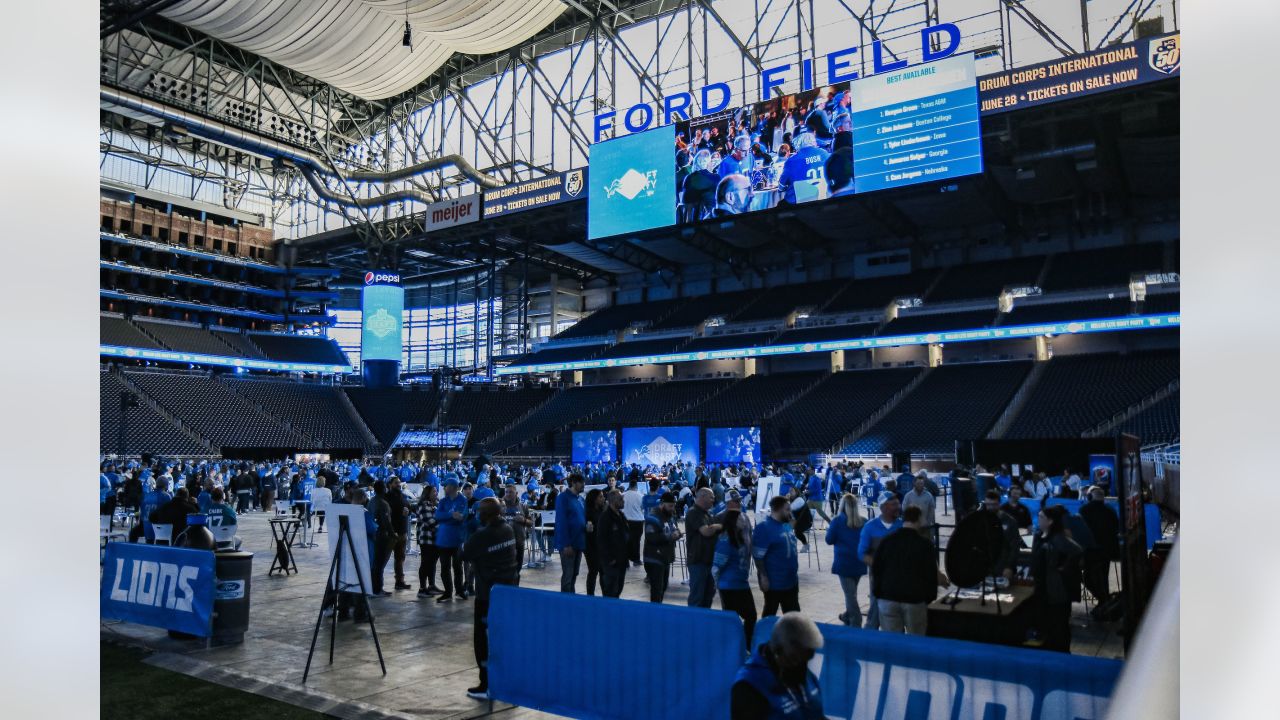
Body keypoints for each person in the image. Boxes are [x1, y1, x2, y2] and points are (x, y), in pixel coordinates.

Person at [460, 497, 520, 701]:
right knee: (504, 637)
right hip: (508, 591)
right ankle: (508, 679)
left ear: (484, 515)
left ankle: (486, 683)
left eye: (480, 512)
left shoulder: (482, 535)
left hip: (487, 595)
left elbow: (464, 554)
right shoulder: (508, 529)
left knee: (483, 639)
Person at [871, 506, 949, 635]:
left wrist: (878, 593)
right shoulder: (925, 545)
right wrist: (929, 597)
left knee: (893, 644)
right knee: (916, 642)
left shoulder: (887, 541)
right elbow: (930, 573)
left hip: (888, 598)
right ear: (918, 519)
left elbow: (877, 568)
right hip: (914, 599)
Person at [731, 612, 824, 720]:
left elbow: (814, 714)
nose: (802, 665)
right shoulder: (750, 685)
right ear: (778, 652)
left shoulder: (803, 672)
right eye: (795, 659)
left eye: (808, 658)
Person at [1030, 505, 1083, 652]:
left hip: (1055, 589)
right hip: (1041, 587)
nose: (1038, 520)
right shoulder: (1038, 536)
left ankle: (1062, 652)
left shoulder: (1058, 538)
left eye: (1041, 517)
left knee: (1059, 624)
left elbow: (1077, 551)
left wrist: (1063, 567)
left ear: (1050, 521)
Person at [857, 492, 902, 630]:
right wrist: (879, 565)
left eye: (898, 503)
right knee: (875, 612)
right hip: (879, 579)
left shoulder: (901, 526)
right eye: (894, 504)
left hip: (899, 578)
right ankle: (870, 641)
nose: (898, 507)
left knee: (897, 615)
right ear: (883, 507)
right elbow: (861, 553)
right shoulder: (870, 527)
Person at [713, 506, 756, 648]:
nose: (744, 520)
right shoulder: (725, 539)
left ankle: (743, 644)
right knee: (735, 619)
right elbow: (717, 566)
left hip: (741, 583)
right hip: (729, 585)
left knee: (748, 617)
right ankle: (736, 646)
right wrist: (715, 585)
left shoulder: (741, 537)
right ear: (733, 521)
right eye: (740, 518)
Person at [753, 495, 801, 617]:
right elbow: (758, 556)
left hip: (791, 581)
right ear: (779, 509)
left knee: (794, 617)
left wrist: (791, 517)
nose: (790, 512)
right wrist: (762, 577)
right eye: (787, 509)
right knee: (769, 615)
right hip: (774, 583)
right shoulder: (764, 527)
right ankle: (764, 635)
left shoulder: (785, 525)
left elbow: (792, 526)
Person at [825, 493, 867, 627]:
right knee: (851, 593)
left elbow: (829, 540)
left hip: (844, 564)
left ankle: (856, 622)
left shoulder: (837, 521)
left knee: (850, 596)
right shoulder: (864, 521)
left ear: (841, 505)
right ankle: (846, 616)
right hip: (860, 563)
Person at [1079, 486, 1119, 609]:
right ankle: (1104, 600)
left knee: (1087, 577)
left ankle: (1104, 600)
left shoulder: (1084, 510)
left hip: (1090, 551)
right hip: (1107, 551)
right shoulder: (1111, 510)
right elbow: (1116, 529)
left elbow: (1081, 531)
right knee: (1103, 577)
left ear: (1090, 497)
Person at [685, 487, 724, 608]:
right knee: (697, 596)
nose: (713, 499)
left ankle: (704, 621)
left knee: (708, 594)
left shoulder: (707, 513)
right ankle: (694, 624)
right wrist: (718, 526)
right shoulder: (694, 512)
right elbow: (706, 532)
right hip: (698, 562)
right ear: (702, 497)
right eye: (711, 497)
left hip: (708, 562)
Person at [642, 491, 682, 603]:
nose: (672, 509)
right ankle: (654, 615)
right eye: (670, 506)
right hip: (654, 558)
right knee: (657, 590)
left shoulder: (669, 516)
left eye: (673, 506)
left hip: (665, 558)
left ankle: (658, 611)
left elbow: (675, 529)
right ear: (662, 504)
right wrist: (671, 536)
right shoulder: (652, 517)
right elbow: (652, 537)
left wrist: (677, 533)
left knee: (663, 587)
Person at [434, 478, 469, 602]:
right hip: (443, 539)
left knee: (457, 567)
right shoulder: (443, 501)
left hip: (457, 538)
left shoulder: (463, 500)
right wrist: (450, 515)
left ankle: (459, 591)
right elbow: (437, 516)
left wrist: (449, 517)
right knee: (445, 568)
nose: (444, 488)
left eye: (446, 486)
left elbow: (462, 517)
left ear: (453, 487)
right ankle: (448, 592)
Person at [979, 490, 1022, 581]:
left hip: (1003, 567)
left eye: (994, 504)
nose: (990, 507)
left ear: (999, 503)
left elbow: (1015, 547)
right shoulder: (982, 520)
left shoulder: (1010, 522)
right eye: (988, 504)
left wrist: (1009, 567)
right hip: (986, 566)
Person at [554, 474, 587, 593]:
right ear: (573, 482)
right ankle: (565, 602)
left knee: (574, 573)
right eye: (581, 482)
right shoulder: (563, 498)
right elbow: (561, 522)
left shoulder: (580, 499)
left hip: (579, 542)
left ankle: (571, 598)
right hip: (568, 544)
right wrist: (566, 544)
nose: (584, 485)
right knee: (568, 574)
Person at [596, 489, 631, 597]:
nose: (623, 501)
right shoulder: (605, 518)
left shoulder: (621, 515)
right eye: (621, 499)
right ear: (613, 501)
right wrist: (610, 559)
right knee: (610, 591)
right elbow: (601, 540)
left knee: (618, 589)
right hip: (611, 563)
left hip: (622, 560)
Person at [778, 130, 828, 204]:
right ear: (814, 142)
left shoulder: (791, 161)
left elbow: (781, 187)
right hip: (824, 200)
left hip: (796, 204)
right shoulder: (825, 154)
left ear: (798, 145)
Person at [365, 481, 395, 596]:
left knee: (375, 563)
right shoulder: (382, 503)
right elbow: (386, 521)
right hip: (382, 535)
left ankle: (374, 587)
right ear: (384, 489)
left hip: (373, 534)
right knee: (380, 563)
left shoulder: (371, 501)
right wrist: (393, 534)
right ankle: (377, 588)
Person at [415, 484, 443, 597]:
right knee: (425, 563)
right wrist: (443, 527)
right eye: (434, 492)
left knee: (432, 563)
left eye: (436, 491)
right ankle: (422, 589)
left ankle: (431, 586)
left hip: (435, 539)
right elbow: (430, 522)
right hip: (427, 539)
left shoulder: (434, 505)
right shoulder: (423, 505)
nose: (436, 494)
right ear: (428, 493)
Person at [501, 484, 533, 582]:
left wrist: (523, 520)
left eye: (511, 492)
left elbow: (531, 523)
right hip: (503, 544)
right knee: (504, 571)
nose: (508, 494)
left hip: (519, 542)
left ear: (516, 493)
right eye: (506, 492)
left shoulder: (523, 506)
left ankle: (515, 590)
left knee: (517, 569)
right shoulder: (499, 505)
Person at [387, 477, 412, 591]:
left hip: (402, 532)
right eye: (396, 483)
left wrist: (408, 511)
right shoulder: (387, 497)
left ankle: (399, 581)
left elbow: (409, 508)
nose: (398, 484)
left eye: (399, 483)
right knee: (383, 558)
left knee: (400, 558)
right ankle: (376, 584)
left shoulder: (402, 496)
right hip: (391, 532)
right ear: (390, 484)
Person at [583, 488, 605, 595]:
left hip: (601, 546)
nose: (603, 498)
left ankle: (605, 594)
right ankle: (590, 595)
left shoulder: (602, 510)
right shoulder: (588, 512)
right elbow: (588, 530)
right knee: (593, 571)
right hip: (591, 546)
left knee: (603, 571)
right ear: (594, 499)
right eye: (600, 497)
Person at [902, 474, 936, 539]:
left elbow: (931, 510)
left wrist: (928, 522)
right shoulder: (908, 495)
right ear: (914, 483)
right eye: (918, 483)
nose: (920, 485)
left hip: (925, 526)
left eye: (922, 483)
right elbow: (904, 509)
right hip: (912, 527)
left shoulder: (928, 496)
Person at [622, 477, 645, 567]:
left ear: (629, 486)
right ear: (636, 486)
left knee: (625, 540)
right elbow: (643, 508)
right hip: (638, 521)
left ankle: (625, 560)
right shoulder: (641, 496)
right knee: (636, 541)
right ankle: (636, 559)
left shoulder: (623, 495)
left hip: (625, 520)